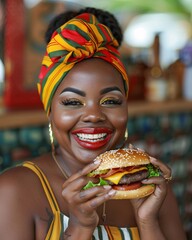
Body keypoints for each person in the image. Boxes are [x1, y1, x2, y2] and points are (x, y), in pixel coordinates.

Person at [0, 7, 187, 240]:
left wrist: (148, 222)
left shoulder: (153, 188)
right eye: (72, 102)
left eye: (110, 100)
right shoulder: (14, 191)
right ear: (50, 111)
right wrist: (79, 228)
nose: (93, 115)